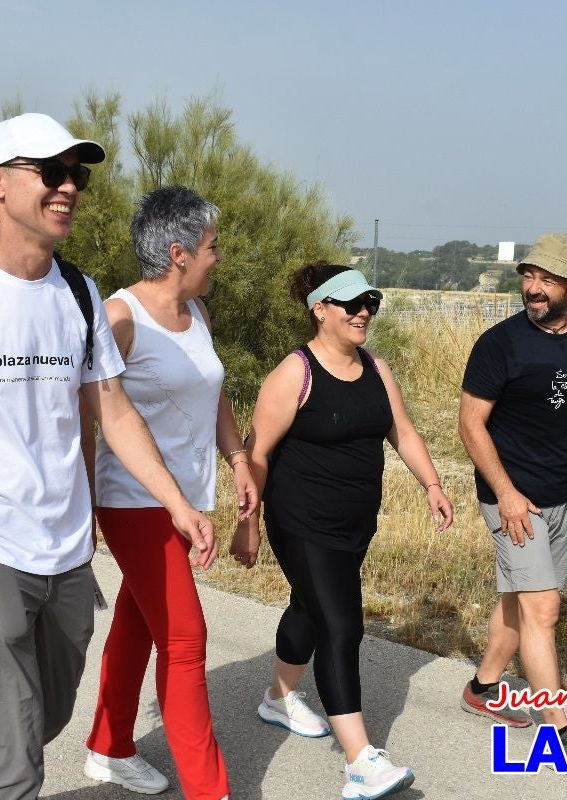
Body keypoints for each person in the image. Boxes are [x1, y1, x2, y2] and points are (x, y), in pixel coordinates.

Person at [0, 112, 215, 800]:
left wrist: (177, 502)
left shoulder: (80, 295)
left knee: (44, 718)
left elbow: (114, 413)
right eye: (51, 172)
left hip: (62, 547)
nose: (69, 188)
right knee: (16, 765)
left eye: (77, 175)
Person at [232, 263, 454, 800]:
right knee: (341, 624)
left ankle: (277, 696)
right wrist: (248, 524)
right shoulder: (295, 372)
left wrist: (431, 483)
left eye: (370, 303)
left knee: (310, 608)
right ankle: (360, 762)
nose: (363, 313)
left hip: (355, 522)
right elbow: (255, 453)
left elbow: (401, 428)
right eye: (351, 303)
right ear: (320, 309)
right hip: (301, 521)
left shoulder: (376, 367)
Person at [82, 185, 255, 800]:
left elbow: (213, 394)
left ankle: (109, 746)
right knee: (185, 643)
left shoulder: (196, 314)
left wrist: (237, 459)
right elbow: (91, 409)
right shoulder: (121, 317)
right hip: (133, 500)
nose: (219, 256)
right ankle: (211, 792)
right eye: (212, 246)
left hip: (186, 498)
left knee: (137, 620)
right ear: (179, 252)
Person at [457, 233, 567, 779]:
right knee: (543, 609)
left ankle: (483, 687)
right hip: (512, 498)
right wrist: (505, 493)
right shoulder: (499, 344)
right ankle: (562, 732)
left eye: (547, 280)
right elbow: (470, 424)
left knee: (520, 600)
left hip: (563, 492)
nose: (533, 288)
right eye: (529, 276)